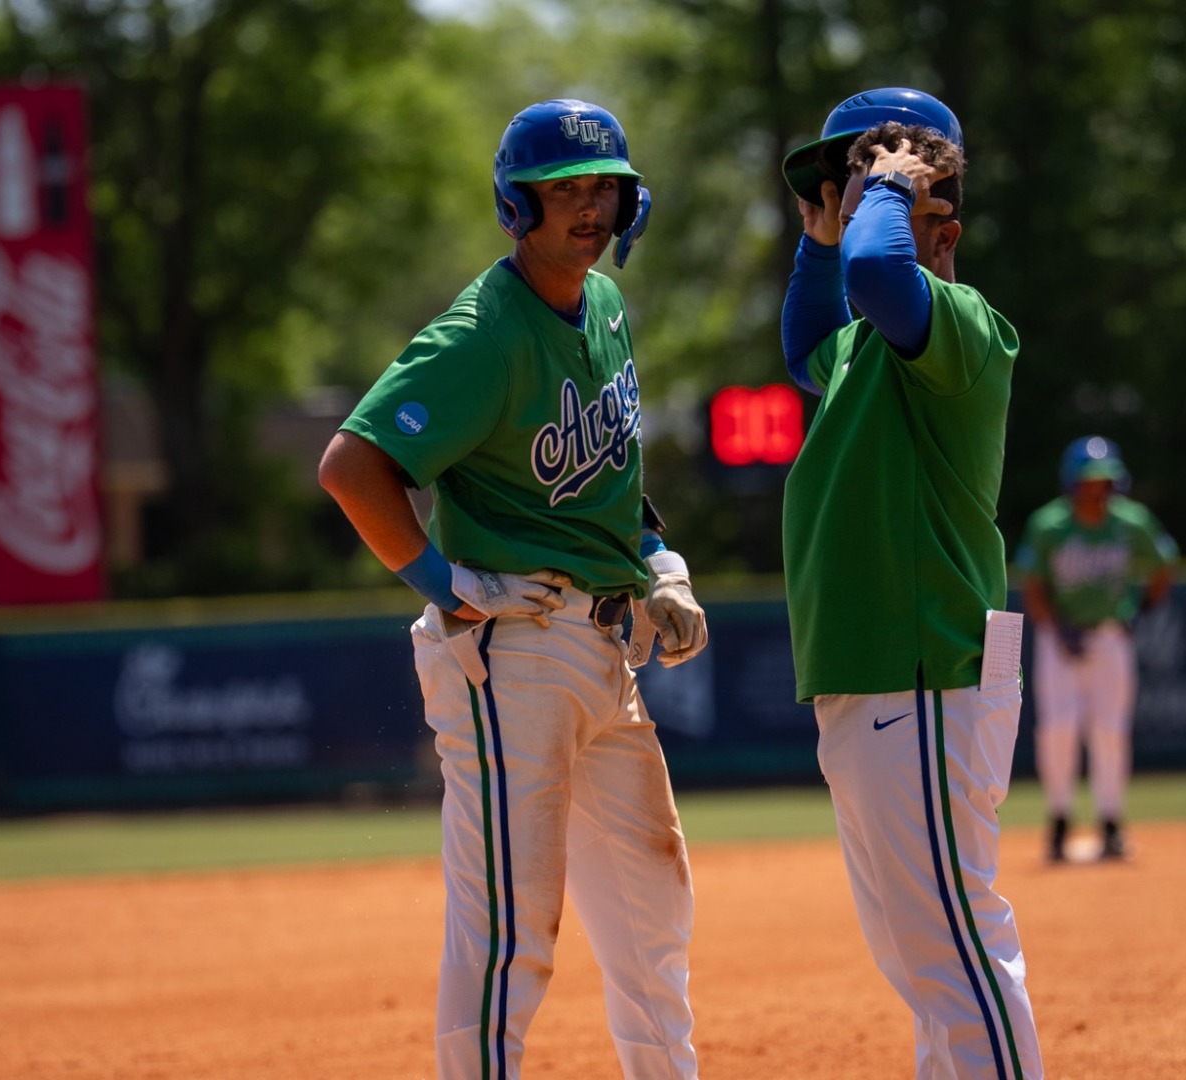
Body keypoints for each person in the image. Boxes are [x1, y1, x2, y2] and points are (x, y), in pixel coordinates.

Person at [317, 99, 708, 1080]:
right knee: (510, 928)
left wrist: (659, 564)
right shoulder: (481, 334)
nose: (587, 208)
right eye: (562, 190)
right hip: (515, 648)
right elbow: (350, 468)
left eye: (602, 188)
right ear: (515, 206)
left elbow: (607, 477)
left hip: (606, 651)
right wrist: (444, 582)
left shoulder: (606, 307)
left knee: (653, 903)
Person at [779, 88, 1043, 1080]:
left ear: (945, 223)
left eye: (876, 182)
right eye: (848, 183)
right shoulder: (866, 347)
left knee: (955, 954)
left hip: (923, 668)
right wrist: (818, 238)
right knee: (921, 956)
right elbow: (809, 346)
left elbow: (881, 273)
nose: (856, 200)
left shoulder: (963, 329)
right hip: (882, 675)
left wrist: (886, 193)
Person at [1015, 436, 1178, 863]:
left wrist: (1140, 608)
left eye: (1103, 481)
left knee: (1110, 730)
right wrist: (1054, 627)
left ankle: (1110, 822)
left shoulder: (1130, 522)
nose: (1096, 488)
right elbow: (1031, 584)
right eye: (1088, 481)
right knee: (1058, 731)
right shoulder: (1050, 524)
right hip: (1059, 639)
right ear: (1072, 483)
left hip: (1109, 637)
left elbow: (1165, 563)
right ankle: (1059, 821)